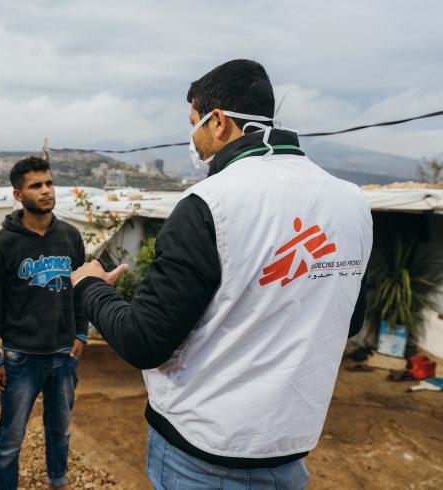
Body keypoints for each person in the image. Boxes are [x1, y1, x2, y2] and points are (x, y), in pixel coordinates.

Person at [71, 59, 373, 489]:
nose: (191, 139)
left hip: (200, 455)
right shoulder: (350, 201)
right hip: (288, 451)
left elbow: (144, 341)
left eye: (193, 123)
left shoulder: (209, 203)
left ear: (218, 123)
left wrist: (91, 288)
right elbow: (350, 318)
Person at [0, 156, 88, 490]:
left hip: (63, 356)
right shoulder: (1, 245)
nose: (46, 191)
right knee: (11, 437)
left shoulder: (71, 236)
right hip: (20, 358)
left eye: (49, 183)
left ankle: (57, 481)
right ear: (18, 194)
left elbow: (80, 289)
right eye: (36, 186)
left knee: (60, 431)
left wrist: (82, 332)